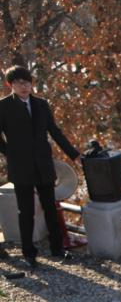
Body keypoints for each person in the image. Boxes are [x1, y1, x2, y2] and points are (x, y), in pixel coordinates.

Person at [0, 65, 81, 269]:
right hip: (20, 165)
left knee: (50, 207)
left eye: (27, 82)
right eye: (19, 83)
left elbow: (55, 131)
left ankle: (57, 248)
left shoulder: (41, 104)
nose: (24, 86)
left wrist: (74, 155)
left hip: (44, 164)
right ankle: (29, 253)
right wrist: (9, 152)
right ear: (10, 85)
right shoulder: (4, 106)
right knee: (25, 210)